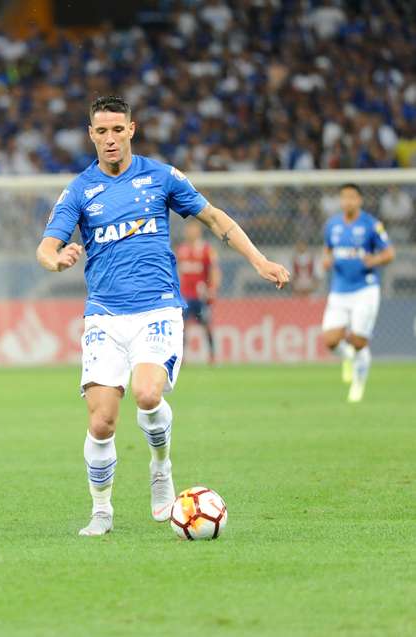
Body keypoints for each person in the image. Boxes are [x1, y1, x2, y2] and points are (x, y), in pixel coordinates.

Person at [36, 96, 290, 537]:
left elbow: (214, 219)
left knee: (148, 394)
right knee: (102, 421)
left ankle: (160, 466)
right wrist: (56, 260)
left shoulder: (161, 176)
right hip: (104, 316)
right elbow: (45, 247)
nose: (110, 139)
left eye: (118, 130)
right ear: (91, 135)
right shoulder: (80, 190)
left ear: (132, 130)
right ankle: (101, 511)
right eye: (102, 131)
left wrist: (259, 260)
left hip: (157, 307)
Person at [320, 183, 395, 403]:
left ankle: (358, 384)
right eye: (344, 197)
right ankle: (349, 358)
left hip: (365, 289)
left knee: (359, 341)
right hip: (340, 289)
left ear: (359, 200)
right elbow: (327, 250)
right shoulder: (332, 225)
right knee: (331, 340)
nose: (347, 202)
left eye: (352, 197)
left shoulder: (372, 225)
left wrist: (376, 259)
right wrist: (325, 260)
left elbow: (389, 253)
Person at [176, 221, 221, 363]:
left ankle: (212, 356)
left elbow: (214, 270)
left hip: (201, 295)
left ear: (199, 232)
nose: (190, 233)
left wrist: (212, 289)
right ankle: (181, 358)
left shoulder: (207, 250)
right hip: (185, 296)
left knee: (206, 325)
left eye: (193, 230)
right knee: (181, 326)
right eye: (189, 230)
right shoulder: (181, 250)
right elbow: (177, 271)